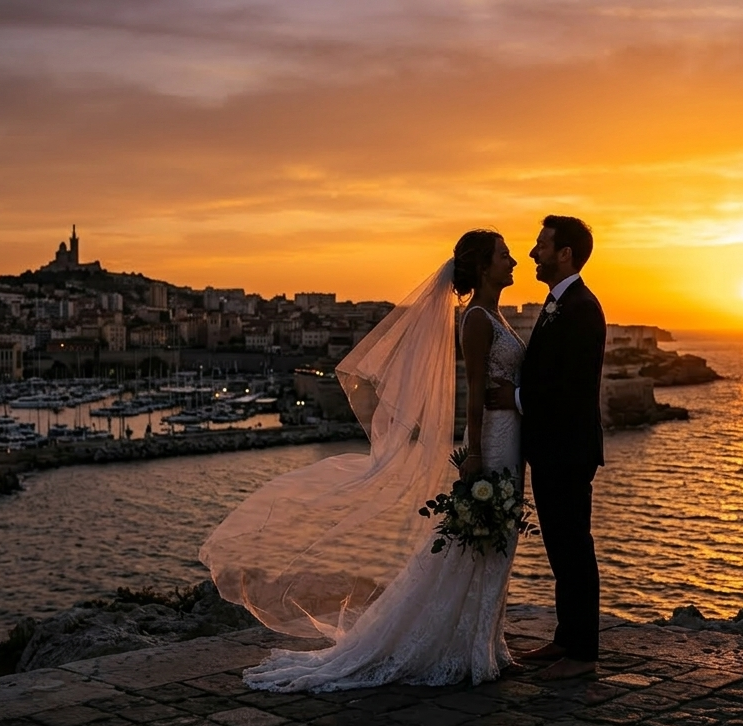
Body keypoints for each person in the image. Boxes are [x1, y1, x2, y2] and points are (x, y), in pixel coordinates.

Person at [199, 230, 525, 692]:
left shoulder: (497, 315)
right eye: (504, 255)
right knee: (479, 539)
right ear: (482, 265)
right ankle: (463, 645)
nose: (512, 261)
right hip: (491, 441)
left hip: (510, 439)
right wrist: (474, 452)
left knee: (495, 539)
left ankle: (485, 641)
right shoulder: (475, 319)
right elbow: (473, 392)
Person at [486, 214, 606, 680]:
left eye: (541, 245)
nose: (533, 253)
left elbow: (570, 388)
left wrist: (513, 399)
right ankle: (565, 640)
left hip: (568, 449)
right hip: (555, 448)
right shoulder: (561, 303)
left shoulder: (579, 307)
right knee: (560, 547)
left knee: (574, 548)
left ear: (565, 254)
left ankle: (583, 654)